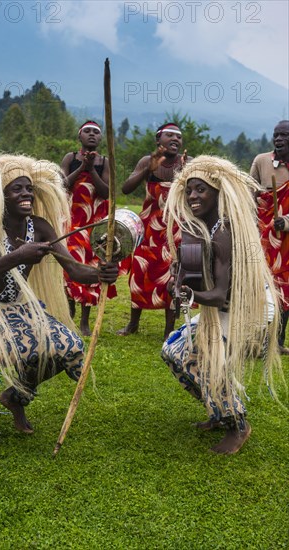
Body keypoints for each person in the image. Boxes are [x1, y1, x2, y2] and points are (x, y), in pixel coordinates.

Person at [0, 154, 118, 444]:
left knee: (68, 347)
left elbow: (73, 269)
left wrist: (100, 273)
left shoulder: (40, 227)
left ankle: (16, 396)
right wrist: (15, 257)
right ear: (1, 196)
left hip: (18, 309)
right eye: (16, 189)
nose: (26, 194)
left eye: (29, 188)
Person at [161, 155, 282, 455]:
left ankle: (238, 425)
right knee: (173, 351)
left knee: (208, 362)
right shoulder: (201, 226)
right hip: (222, 304)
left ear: (217, 192)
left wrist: (187, 295)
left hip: (248, 308)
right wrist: (177, 281)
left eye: (201, 190)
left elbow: (218, 295)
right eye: (189, 191)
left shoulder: (225, 232)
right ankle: (219, 411)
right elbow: (192, 271)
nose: (193, 196)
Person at [117, 123, 191, 339]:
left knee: (173, 275)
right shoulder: (147, 161)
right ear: (159, 140)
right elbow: (126, 188)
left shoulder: (188, 163)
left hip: (175, 228)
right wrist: (146, 170)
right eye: (170, 135)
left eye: (178, 137)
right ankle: (133, 323)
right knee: (140, 272)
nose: (175, 139)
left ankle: (169, 329)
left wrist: (187, 174)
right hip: (148, 228)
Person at [61, 121, 119, 336]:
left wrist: (92, 170)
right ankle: (69, 310)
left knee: (93, 266)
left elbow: (106, 192)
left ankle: (85, 320)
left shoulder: (104, 162)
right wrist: (82, 169)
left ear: (101, 138)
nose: (92, 135)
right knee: (69, 266)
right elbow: (62, 184)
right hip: (72, 222)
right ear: (80, 136)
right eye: (88, 131)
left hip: (95, 224)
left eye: (96, 132)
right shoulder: (70, 158)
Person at [250, 120, 289, 354]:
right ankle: (257, 339)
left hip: (286, 241)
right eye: (276, 135)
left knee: (286, 289)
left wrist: (286, 222)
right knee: (262, 284)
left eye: (284, 135)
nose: (279, 139)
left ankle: (278, 341)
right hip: (264, 237)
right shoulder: (261, 161)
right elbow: (248, 192)